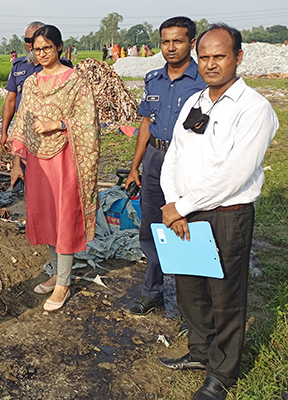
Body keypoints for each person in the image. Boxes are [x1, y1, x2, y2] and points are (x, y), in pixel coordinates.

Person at [157, 24, 278, 400]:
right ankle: (199, 352)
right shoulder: (196, 102)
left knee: (225, 296)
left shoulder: (254, 109)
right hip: (184, 212)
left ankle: (222, 373)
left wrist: (182, 205)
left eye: (219, 56)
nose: (210, 64)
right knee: (190, 289)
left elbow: (235, 173)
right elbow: (174, 154)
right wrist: (173, 201)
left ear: (238, 57)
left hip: (226, 216)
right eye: (205, 57)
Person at [7, 24, 100, 312]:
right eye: (37, 49)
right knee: (47, 216)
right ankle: (56, 272)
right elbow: (22, 120)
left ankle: (64, 283)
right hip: (37, 162)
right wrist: (16, 160)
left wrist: (58, 125)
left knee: (64, 218)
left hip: (66, 160)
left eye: (47, 47)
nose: (42, 53)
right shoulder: (32, 83)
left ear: (59, 47)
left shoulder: (75, 81)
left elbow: (88, 122)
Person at [123, 17, 206, 317]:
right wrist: (135, 167)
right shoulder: (153, 79)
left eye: (178, 41)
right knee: (151, 227)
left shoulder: (204, 81)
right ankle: (152, 291)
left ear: (191, 43)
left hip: (188, 162)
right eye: (165, 42)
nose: (171, 48)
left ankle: (192, 307)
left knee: (189, 227)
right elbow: (146, 123)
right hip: (155, 159)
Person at [0, 21, 45, 152]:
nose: (30, 44)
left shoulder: (58, 66)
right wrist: (4, 132)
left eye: (34, 39)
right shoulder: (19, 66)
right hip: (23, 130)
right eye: (27, 40)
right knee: (23, 168)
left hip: (48, 130)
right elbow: (10, 100)